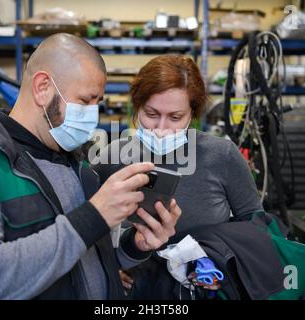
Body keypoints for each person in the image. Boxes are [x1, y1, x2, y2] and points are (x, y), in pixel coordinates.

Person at [0, 34, 181, 300]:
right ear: (43, 87)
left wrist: (135, 246)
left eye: (97, 103)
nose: (92, 115)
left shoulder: (77, 165)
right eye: (85, 101)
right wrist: (93, 217)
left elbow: (86, 261)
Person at [91, 54, 264, 298]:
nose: (161, 129)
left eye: (175, 117)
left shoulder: (222, 156)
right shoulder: (113, 157)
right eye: (151, 114)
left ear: (192, 115)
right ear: (137, 106)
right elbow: (87, 231)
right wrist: (107, 269)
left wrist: (224, 268)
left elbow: (256, 230)